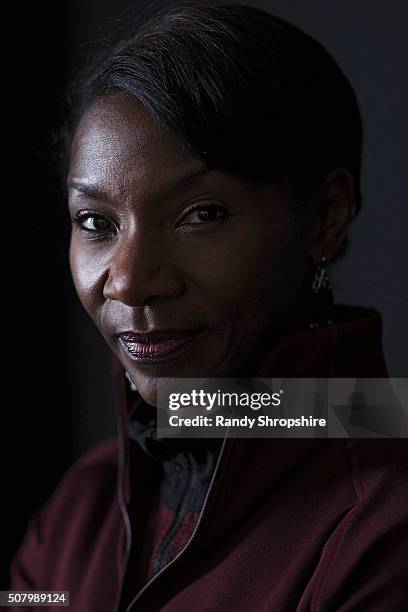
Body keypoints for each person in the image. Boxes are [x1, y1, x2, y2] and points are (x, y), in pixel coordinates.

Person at [11, 3, 407, 611]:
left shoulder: (383, 524)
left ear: (325, 216)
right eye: (95, 221)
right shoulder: (78, 512)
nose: (131, 282)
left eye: (202, 214)